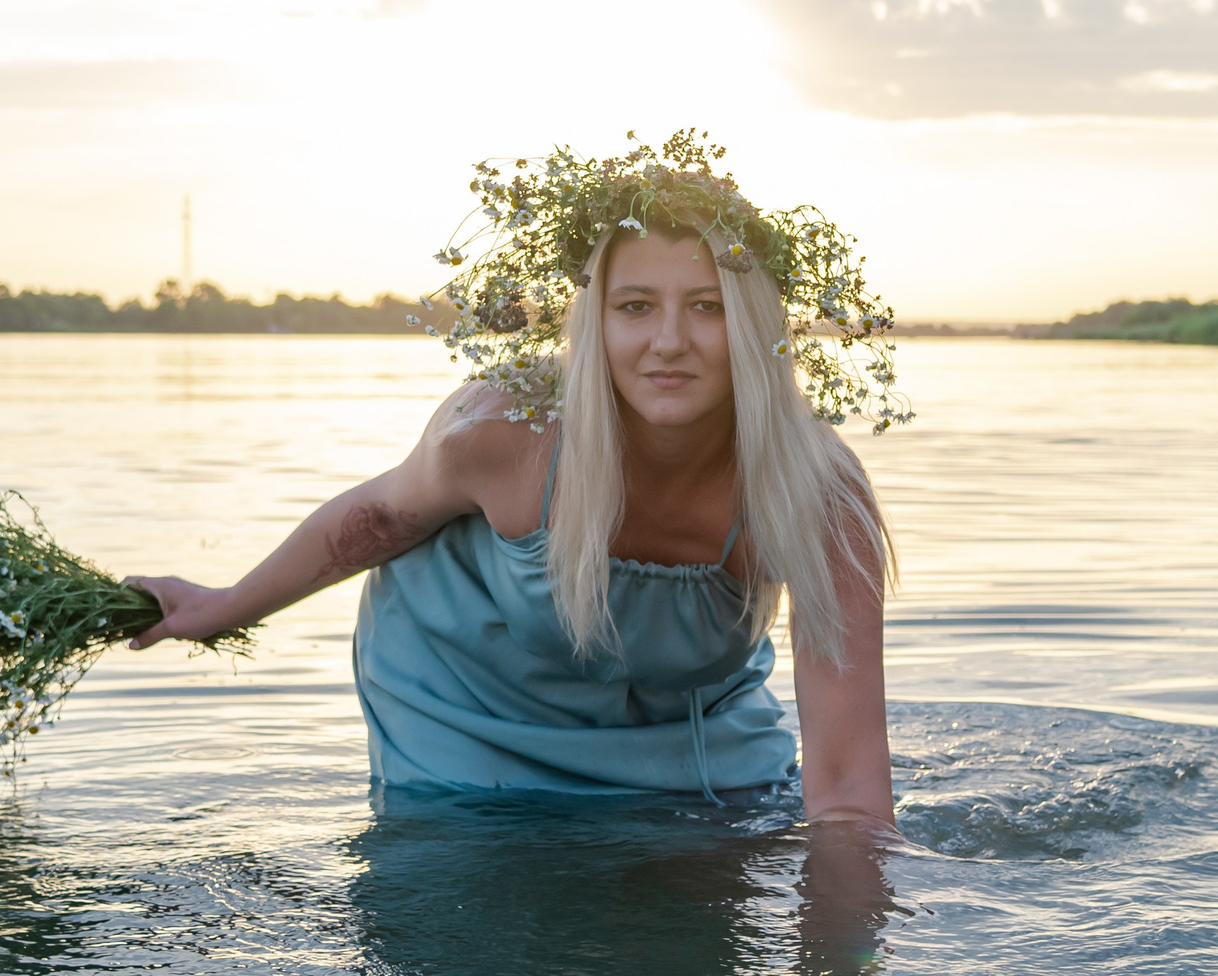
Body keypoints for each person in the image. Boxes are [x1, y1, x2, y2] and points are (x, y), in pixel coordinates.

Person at [124, 138, 902, 826]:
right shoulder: (509, 431)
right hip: (469, 706)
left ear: (757, 323)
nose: (669, 341)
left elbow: (847, 792)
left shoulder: (818, 493)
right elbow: (380, 516)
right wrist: (222, 607)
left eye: (707, 306)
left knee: (727, 857)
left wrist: (847, 945)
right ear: (595, 319)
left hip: (680, 724)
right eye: (635, 306)